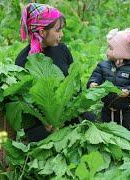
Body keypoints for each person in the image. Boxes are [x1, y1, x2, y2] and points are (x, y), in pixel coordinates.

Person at [15, 3, 94, 142]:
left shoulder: (62, 50)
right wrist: (45, 123)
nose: (61, 34)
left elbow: (75, 86)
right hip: (41, 126)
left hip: (68, 117)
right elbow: (23, 102)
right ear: (42, 32)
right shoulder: (23, 60)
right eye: (58, 30)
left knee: (92, 123)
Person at [87, 28, 130, 131]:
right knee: (106, 131)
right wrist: (93, 83)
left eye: (111, 48)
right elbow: (97, 75)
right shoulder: (104, 65)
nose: (107, 51)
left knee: (124, 132)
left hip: (125, 110)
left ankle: (125, 145)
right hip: (107, 108)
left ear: (121, 53)